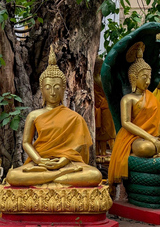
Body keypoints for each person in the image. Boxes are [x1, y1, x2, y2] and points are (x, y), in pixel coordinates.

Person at [6, 46, 102, 187]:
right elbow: (26, 142)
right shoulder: (34, 115)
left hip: (67, 163)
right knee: (12, 176)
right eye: (48, 88)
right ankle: (58, 178)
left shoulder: (74, 117)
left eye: (57, 87)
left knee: (95, 175)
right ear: (42, 89)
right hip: (41, 163)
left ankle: (51, 178)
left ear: (63, 89)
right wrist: (38, 160)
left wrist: (63, 160)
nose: (52, 92)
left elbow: (80, 145)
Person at [108, 42, 160, 186]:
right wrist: (150, 138)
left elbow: (159, 118)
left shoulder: (152, 97)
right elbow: (126, 123)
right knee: (144, 149)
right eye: (143, 77)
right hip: (135, 138)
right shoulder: (128, 99)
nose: (147, 81)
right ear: (134, 78)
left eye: (149, 77)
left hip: (155, 137)